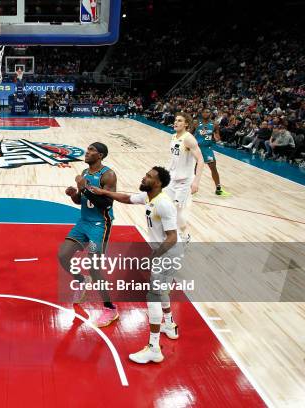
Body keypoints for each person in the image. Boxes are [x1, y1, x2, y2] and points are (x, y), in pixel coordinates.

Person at [87, 166, 181, 364]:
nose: (144, 177)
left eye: (148, 176)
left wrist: (154, 256)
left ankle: (154, 348)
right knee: (161, 292)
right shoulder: (149, 197)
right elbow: (127, 198)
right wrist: (105, 192)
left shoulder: (163, 204)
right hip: (163, 252)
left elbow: (172, 236)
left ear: (157, 183)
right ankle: (170, 325)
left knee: (152, 296)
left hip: (167, 253)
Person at [58, 143, 119, 327]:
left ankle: (110, 308)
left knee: (94, 266)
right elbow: (80, 200)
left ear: (100, 155)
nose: (87, 152)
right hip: (83, 223)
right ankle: (81, 280)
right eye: (87, 149)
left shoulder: (108, 175)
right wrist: (73, 194)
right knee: (63, 255)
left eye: (92, 150)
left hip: (99, 227)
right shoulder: (85, 173)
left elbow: (107, 203)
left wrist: (83, 188)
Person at [167, 112, 204, 242]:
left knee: (177, 211)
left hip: (184, 182)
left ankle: (180, 237)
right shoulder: (173, 136)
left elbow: (200, 160)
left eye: (180, 120)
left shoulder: (189, 139)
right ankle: (179, 234)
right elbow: (174, 159)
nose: (176, 122)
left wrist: (196, 182)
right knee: (168, 209)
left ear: (186, 124)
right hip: (172, 180)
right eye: (175, 120)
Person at [194, 108, 231, 196]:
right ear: (201, 113)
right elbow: (189, 134)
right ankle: (192, 187)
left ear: (210, 114)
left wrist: (217, 137)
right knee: (194, 168)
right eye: (204, 111)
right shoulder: (196, 123)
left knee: (213, 168)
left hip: (207, 149)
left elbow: (218, 137)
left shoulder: (214, 124)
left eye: (208, 112)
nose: (206, 113)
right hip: (196, 148)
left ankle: (218, 189)